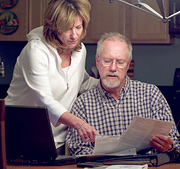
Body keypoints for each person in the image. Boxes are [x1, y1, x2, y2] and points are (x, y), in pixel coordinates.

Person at [66, 32, 180, 161]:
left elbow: (175, 146)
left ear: (128, 65)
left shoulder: (151, 94)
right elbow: (77, 152)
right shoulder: (82, 104)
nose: (113, 68)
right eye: (107, 61)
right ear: (97, 62)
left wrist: (168, 147)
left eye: (120, 62)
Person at [5, 0, 99, 155]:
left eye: (78, 27)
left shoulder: (79, 50)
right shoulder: (36, 51)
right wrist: (79, 124)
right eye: (67, 28)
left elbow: (82, 82)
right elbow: (45, 100)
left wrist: (112, 84)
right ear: (54, 27)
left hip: (57, 137)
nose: (74, 35)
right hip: (20, 131)